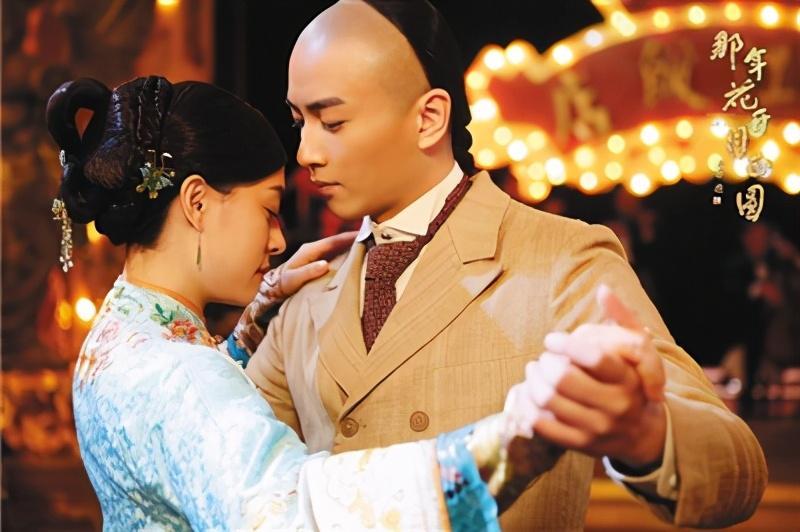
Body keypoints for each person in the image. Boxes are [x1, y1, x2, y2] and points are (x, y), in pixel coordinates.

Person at [245, 1, 767, 529]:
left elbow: (736, 466)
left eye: (332, 122)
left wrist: (647, 434)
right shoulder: (306, 293)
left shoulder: (562, 260)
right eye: (299, 122)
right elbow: (239, 474)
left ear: (428, 119)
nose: (306, 152)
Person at [47, 76, 559, 530]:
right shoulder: (184, 378)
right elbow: (294, 517)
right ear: (197, 202)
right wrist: (507, 444)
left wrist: (256, 318)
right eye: (268, 209)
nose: (277, 240)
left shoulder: (118, 328)